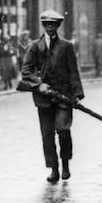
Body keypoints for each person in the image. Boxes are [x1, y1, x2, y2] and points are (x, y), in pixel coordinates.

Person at [21, 10, 85, 183]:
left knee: (63, 131)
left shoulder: (66, 46)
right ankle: (54, 169)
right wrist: (38, 84)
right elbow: (26, 71)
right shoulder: (34, 46)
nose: (50, 27)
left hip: (64, 96)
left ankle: (65, 164)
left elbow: (73, 71)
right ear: (43, 25)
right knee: (47, 135)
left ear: (58, 26)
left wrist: (77, 94)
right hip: (43, 99)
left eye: (53, 24)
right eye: (47, 24)